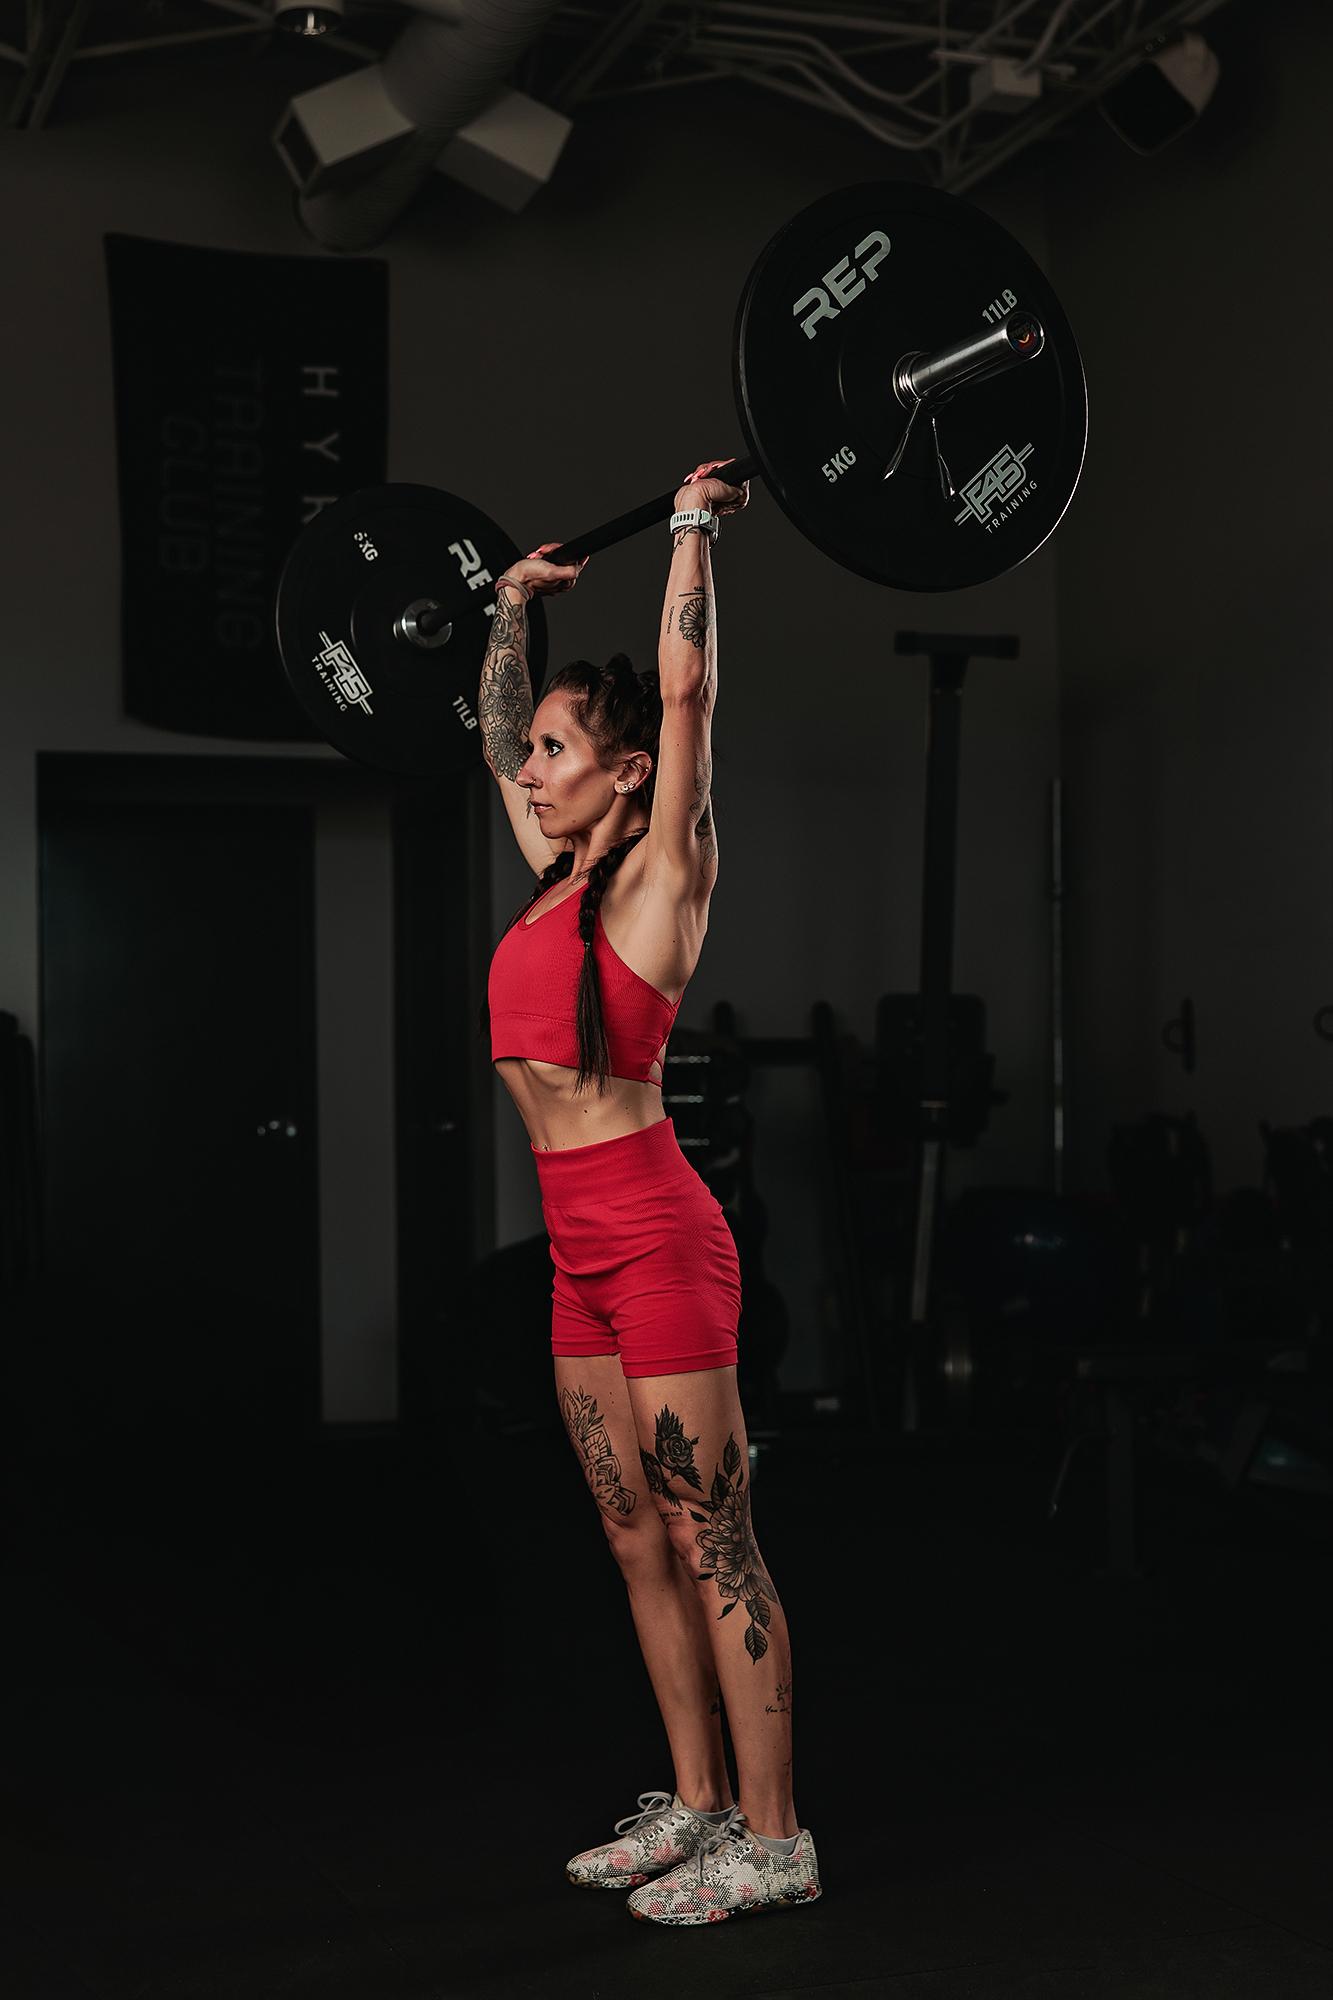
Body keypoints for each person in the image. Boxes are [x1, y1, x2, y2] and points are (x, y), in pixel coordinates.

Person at [475, 461, 821, 1926]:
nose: (533, 766)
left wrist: (687, 536)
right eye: (539, 749)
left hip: (659, 1234)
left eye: (560, 749)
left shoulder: (655, 882)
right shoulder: (550, 876)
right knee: (631, 1537)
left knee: (710, 1536)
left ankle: (777, 1835)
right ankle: (691, 1808)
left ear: (620, 774)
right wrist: (510, 616)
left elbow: (684, 704)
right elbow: (490, 732)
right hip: (572, 1249)